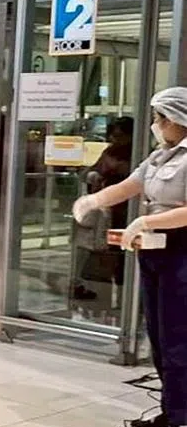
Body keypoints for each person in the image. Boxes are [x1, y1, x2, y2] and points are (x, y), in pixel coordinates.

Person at [74, 88, 187, 427]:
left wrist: (149, 223)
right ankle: (171, 409)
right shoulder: (160, 155)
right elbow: (130, 185)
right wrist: (94, 200)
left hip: (182, 252)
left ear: (176, 119)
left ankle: (183, 421)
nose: (155, 125)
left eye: (159, 118)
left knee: (178, 337)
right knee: (157, 333)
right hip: (154, 251)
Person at [72, 117, 134, 311]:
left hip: (127, 212)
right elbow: (90, 173)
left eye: (120, 136)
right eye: (113, 136)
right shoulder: (109, 152)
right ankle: (104, 301)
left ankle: (126, 302)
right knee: (104, 257)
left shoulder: (138, 154)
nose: (115, 140)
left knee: (124, 259)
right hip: (107, 213)